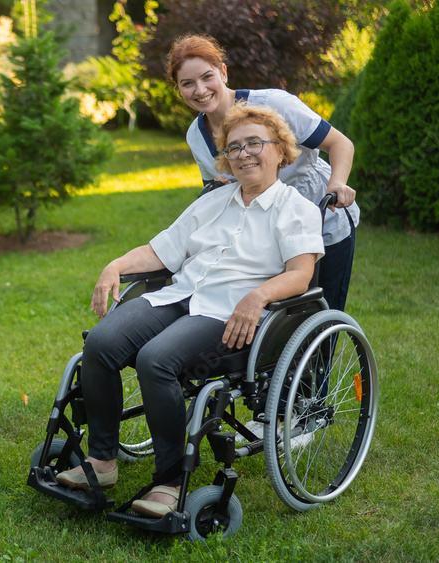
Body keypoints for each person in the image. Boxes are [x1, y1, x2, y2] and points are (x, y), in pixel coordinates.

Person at [55, 103, 325, 518]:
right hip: (179, 296)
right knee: (101, 344)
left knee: (156, 360)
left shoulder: (296, 209)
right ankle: (102, 461)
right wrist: (116, 266)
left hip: (230, 314)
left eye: (255, 143)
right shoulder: (213, 202)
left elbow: (300, 275)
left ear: (280, 150)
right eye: (234, 147)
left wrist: (257, 297)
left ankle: (170, 480)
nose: (244, 154)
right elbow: (160, 250)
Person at [166, 34, 358, 312]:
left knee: (320, 310)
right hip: (266, 238)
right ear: (179, 89)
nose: (200, 90)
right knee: (280, 317)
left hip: (322, 217)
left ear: (223, 72)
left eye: (207, 77)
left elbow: (340, 144)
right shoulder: (196, 136)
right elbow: (217, 196)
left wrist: (337, 184)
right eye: (187, 83)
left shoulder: (275, 104)